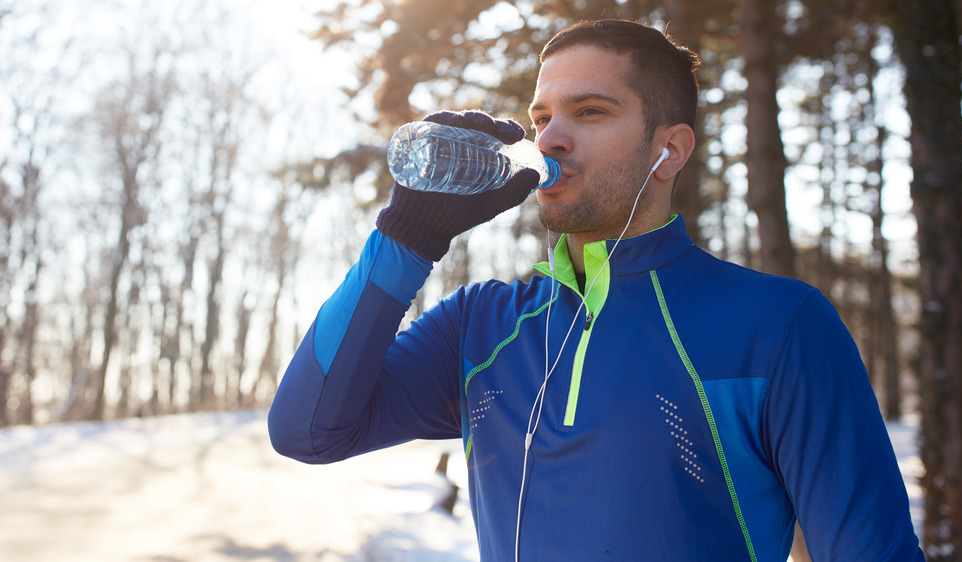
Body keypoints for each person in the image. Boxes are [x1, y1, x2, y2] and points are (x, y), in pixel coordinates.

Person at [268, 19, 924, 561]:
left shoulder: (779, 326)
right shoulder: (481, 326)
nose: (551, 137)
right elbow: (307, 430)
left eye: (590, 111)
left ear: (668, 151)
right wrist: (406, 237)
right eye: (543, 115)